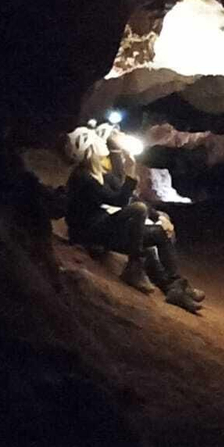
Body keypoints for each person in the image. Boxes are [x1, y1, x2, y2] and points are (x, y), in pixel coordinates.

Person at [63, 123, 204, 314]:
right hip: (90, 232)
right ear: (90, 149)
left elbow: (123, 190)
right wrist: (130, 173)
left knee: (158, 234)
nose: (102, 144)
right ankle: (134, 266)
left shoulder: (100, 174)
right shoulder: (83, 178)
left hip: (103, 227)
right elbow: (119, 200)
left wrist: (157, 216)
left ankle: (176, 287)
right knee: (137, 210)